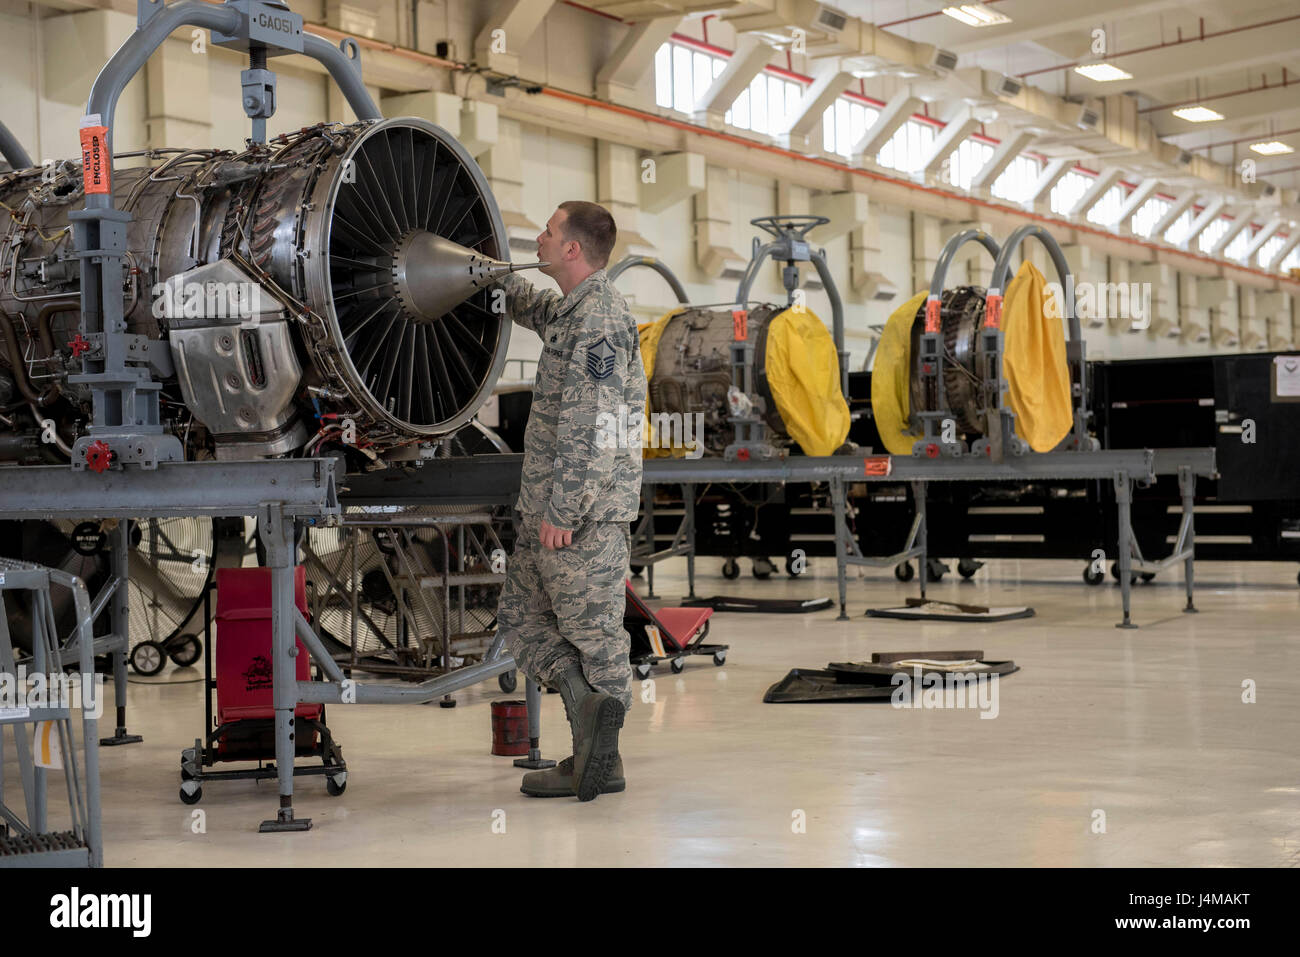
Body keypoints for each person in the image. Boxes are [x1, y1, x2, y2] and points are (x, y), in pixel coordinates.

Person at [493, 201, 646, 801]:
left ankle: (600, 762)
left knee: (597, 638)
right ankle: (587, 724)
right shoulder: (577, 312)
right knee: (521, 623)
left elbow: (594, 423)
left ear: (573, 249)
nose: (541, 238)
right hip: (547, 513)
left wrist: (565, 510)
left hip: (578, 519)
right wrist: (491, 275)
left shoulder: (601, 320)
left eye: (550, 232)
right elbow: (541, 311)